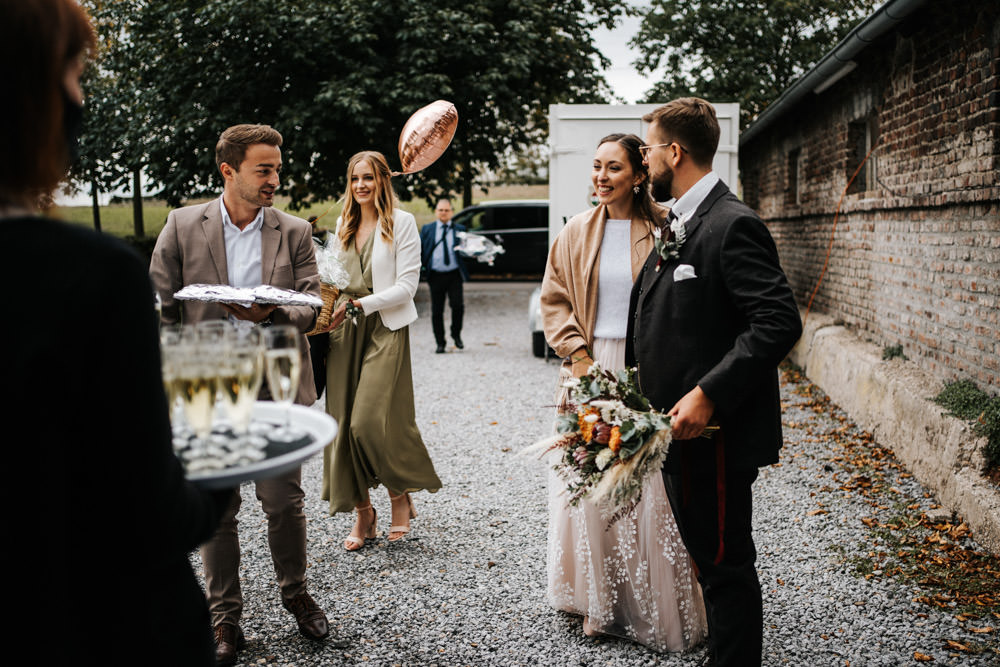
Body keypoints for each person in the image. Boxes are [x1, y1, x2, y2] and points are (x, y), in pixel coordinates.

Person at [0, 1, 233, 663]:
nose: (79, 97)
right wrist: (224, 458)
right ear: (31, 97)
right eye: (74, 75)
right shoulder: (89, 277)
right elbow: (151, 517)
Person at [150, 124, 337, 665]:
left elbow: (312, 304)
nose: (275, 178)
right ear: (228, 171)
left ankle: (295, 593)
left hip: (275, 378)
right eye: (264, 169)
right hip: (208, 381)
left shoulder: (295, 229)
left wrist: (274, 311)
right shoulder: (184, 224)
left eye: (278, 168)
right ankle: (223, 618)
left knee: (283, 501)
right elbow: (160, 300)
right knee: (219, 507)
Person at [627, 98, 803, 666]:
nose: (644, 159)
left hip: (716, 434)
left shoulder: (733, 223)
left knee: (726, 566)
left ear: (674, 152)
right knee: (707, 559)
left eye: (648, 148)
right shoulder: (680, 219)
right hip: (677, 435)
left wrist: (707, 393)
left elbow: (778, 321)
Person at [540, 133, 708, 652]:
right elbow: (554, 299)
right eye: (596, 166)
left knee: (647, 490)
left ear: (639, 174)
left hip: (649, 372)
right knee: (592, 485)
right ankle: (599, 602)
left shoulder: (668, 228)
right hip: (590, 370)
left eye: (614, 167)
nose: (601, 176)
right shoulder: (574, 231)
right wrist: (581, 360)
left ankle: (653, 605)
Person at [318, 150, 442, 550]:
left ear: (383, 180)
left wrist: (361, 304)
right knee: (341, 426)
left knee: (368, 423)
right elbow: (333, 280)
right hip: (343, 332)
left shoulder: (402, 223)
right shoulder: (343, 223)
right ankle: (363, 514)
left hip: (385, 328)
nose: (361, 186)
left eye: (368, 178)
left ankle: (399, 497)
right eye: (355, 179)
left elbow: (407, 287)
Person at [420, 196, 468, 353]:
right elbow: (419, 249)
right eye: (440, 210)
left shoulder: (460, 229)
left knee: (458, 306)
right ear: (436, 212)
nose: (443, 213)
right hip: (435, 275)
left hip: (454, 274)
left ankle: (456, 334)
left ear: (452, 212)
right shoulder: (428, 229)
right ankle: (440, 342)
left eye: (447, 210)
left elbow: (467, 250)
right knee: (436, 310)